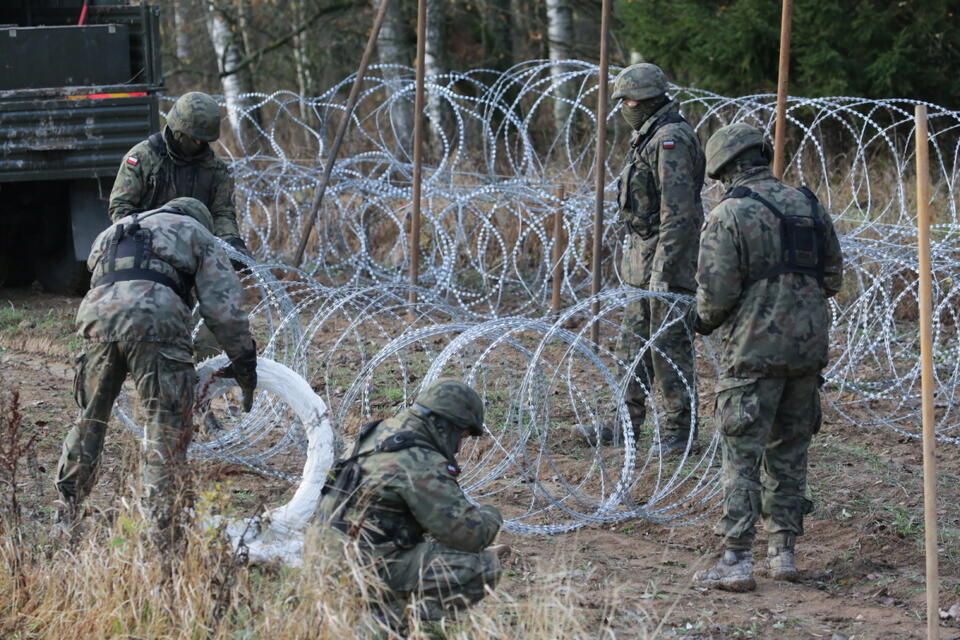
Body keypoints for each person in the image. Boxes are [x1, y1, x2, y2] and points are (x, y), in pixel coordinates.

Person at [690, 123, 843, 591]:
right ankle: (784, 554)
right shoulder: (811, 206)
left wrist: (697, 322)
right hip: (808, 351)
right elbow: (833, 279)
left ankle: (736, 559)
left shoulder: (728, 214)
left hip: (754, 352)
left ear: (725, 168)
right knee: (790, 454)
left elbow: (715, 295)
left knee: (741, 455)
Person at [54, 197, 258, 547]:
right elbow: (222, 307)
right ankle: (160, 529)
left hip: (97, 314)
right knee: (165, 422)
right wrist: (244, 359)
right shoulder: (197, 232)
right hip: (156, 317)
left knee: (90, 418)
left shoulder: (114, 230)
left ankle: (66, 512)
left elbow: (97, 271)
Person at [578, 63, 705, 454]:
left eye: (629, 100)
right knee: (632, 347)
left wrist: (664, 274)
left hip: (666, 267)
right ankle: (623, 425)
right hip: (642, 265)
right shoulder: (647, 135)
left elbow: (679, 214)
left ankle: (679, 432)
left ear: (648, 100)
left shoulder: (670, 140)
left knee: (668, 350)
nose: (624, 107)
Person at [315, 378, 503, 628]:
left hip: (320, 560)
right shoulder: (419, 459)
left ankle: (370, 612)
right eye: (462, 435)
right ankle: (388, 622)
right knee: (482, 567)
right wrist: (492, 514)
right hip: (359, 570)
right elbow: (470, 535)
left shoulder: (379, 432)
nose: (458, 447)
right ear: (444, 425)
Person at [108, 91, 251, 259]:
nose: (200, 144)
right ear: (178, 132)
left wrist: (232, 243)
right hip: (146, 247)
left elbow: (222, 213)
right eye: (196, 139)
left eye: (204, 140)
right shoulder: (143, 158)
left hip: (195, 250)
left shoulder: (214, 168)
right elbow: (121, 207)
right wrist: (146, 234)